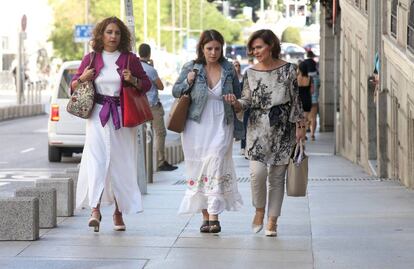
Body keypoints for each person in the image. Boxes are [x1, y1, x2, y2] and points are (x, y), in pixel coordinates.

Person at [71, 16, 151, 232]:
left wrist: (132, 79)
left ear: (122, 36)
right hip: (97, 115)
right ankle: (95, 209)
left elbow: (146, 84)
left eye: (117, 32)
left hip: (122, 116)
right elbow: (73, 86)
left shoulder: (129, 59)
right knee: (96, 161)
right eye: (109, 32)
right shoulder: (91, 58)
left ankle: (118, 212)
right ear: (101, 35)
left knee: (120, 162)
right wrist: (84, 78)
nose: (113, 36)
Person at [224, 29, 305, 237]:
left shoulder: (289, 70)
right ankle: (259, 210)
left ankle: (272, 220)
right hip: (257, 129)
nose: (255, 51)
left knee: (277, 178)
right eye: (253, 48)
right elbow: (246, 100)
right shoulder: (250, 73)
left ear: (271, 46)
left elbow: (296, 101)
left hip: (282, 128)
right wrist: (236, 103)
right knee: (256, 174)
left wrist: (300, 128)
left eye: (259, 47)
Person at [173, 29, 244, 234]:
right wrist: (188, 81)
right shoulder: (192, 67)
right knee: (199, 169)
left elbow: (238, 97)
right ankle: (205, 216)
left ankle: (214, 215)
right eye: (209, 48)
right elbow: (176, 91)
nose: (213, 52)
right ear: (202, 49)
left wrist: (235, 101)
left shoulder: (229, 68)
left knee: (216, 162)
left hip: (222, 120)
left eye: (217, 48)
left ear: (222, 49)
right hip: (196, 123)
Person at [138, 43, 178, 171]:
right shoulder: (151, 70)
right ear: (149, 54)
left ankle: (143, 162)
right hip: (152, 106)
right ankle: (160, 161)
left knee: (143, 136)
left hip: (140, 106)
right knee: (160, 133)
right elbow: (160, 86)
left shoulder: (136, 67)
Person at [303, 50, 319, 141]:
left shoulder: (304, 78)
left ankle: (304, 133)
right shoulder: (317, 78)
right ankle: (312, 134)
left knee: (305, 118)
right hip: (314, 100)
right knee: (313, 118)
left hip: (305, 100)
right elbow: (319, 86)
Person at [297, 61, 312, 138]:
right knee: (305, 120)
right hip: (307, 99)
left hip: (299, 101)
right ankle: (304, 136)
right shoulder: (309, 78)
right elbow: (312, 91)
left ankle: (299, 136)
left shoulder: (297, 78)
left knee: (299, 121)